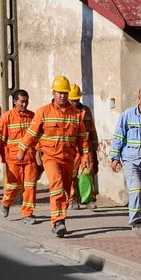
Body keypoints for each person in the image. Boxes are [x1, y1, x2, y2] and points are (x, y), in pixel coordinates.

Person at [17, 75, 89, 237]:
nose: (62, 96)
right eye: (59, 92)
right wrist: (21, 150)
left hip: (69, 158)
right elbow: (31, 133)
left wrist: (85, 157)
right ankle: (58, 220)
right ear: (53, 92)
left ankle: (59, 219)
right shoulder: (43, 112)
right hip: (50, 157)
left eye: (65, 92)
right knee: (56, 186)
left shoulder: (76, 114)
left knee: (63, 190)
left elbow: (82, 138)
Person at [110, 86, 141, 238]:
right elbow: (118, 136)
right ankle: (135, 221)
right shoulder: (128, 115)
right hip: (131, 159)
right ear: (139, 98)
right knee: (136, 189)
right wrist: (115, 157)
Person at [0, 89, 38, 224]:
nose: (24, 104)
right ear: (14, 101)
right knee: (13, 186)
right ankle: (6, 203)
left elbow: (37, 135)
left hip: (29, 158)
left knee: (30, 186)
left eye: (26, 101)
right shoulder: (7, 117)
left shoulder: (32, 116)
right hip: (13, 158)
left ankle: (27, 214)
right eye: (21, 101)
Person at [68, 83, 99, 209]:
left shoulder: (86, 110)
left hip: (86, 145)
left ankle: (89, 199)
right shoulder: (66, 112)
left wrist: (95, 143)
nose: (74, 102)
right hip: (71, 147)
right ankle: (73, 199)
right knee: (72, 173)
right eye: (72, 100)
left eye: (76, 100)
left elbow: (91, 127)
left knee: (88, 171)